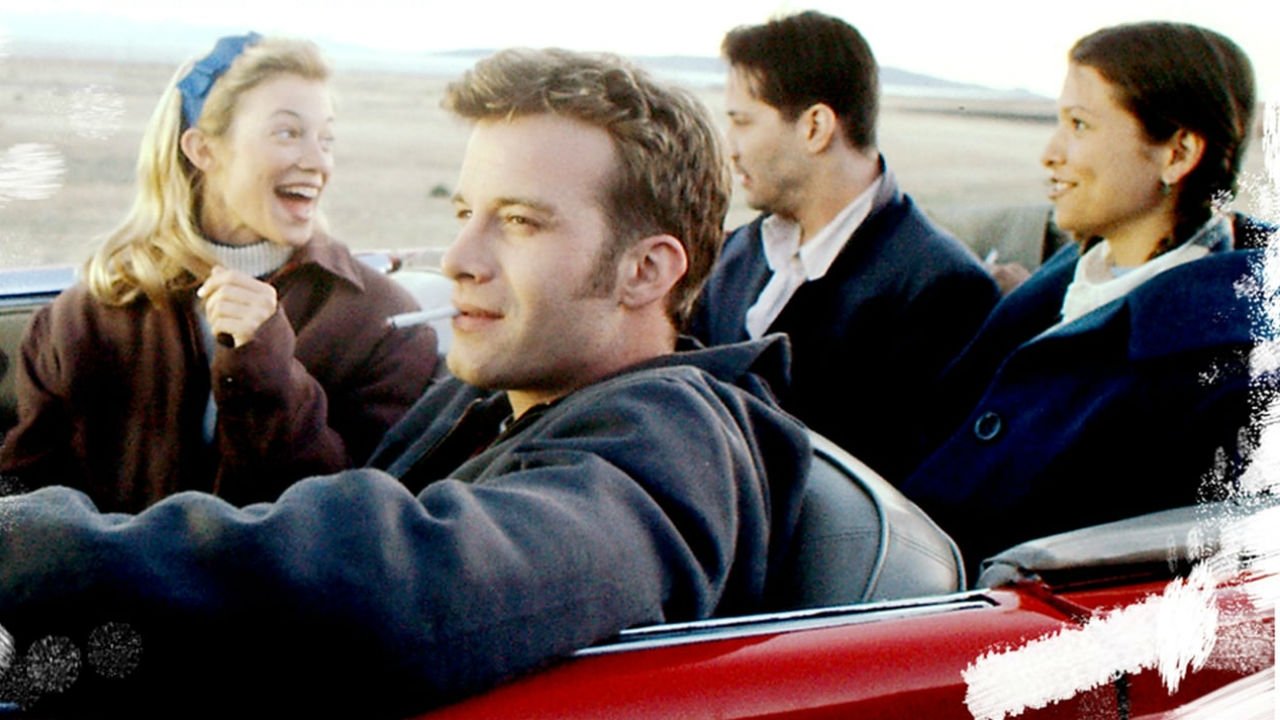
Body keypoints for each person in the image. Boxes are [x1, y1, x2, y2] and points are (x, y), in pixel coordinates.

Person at [0, 48, 810, 717]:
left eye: (518, 222)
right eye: (463, 214)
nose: (458, 259)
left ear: (646, 270)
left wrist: (25, 550)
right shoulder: (506, 389)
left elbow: (394, 589)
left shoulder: (673, 447)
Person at [0, 34, 437, 511]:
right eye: (288, 133)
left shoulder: (383, 321)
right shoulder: (79, 321)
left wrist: (266, 367)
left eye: (326, 139)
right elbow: (25, 505)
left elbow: (359, 515)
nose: (318, 162)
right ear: (203, 150)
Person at [901, 21, 1272, 580]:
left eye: (1079, 124)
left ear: (1177, 154)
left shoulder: (1222, 380)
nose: (1050, 154)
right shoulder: (1070, 283)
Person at [689, 10, 1001, 482]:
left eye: (743, 122)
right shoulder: (736, 254)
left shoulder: (944, 288)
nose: (730, 148)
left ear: (815, 127)